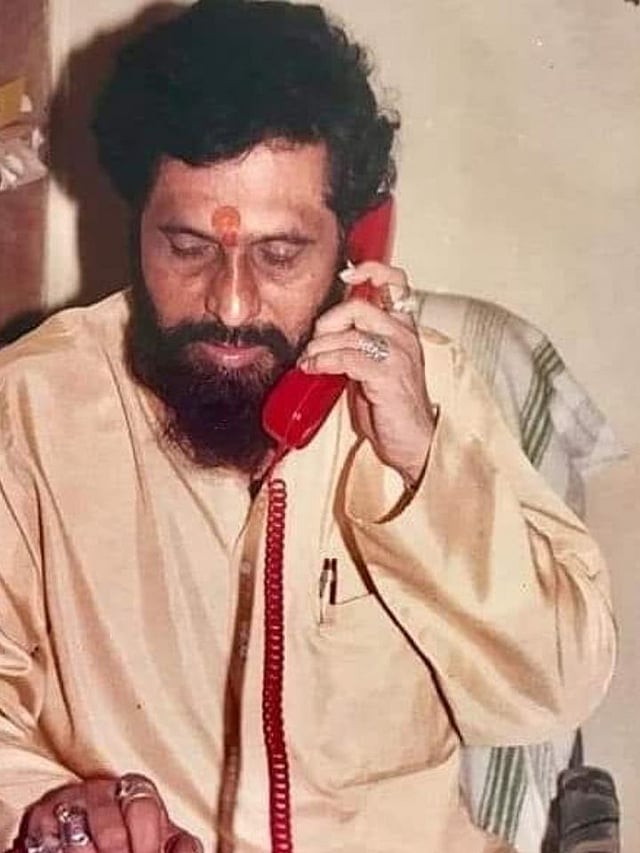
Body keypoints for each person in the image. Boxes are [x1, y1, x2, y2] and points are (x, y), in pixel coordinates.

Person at [0, 2, 616, 852]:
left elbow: (554, 691)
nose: (231, 303)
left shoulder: (426, 390)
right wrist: (56, 810)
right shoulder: (31, 406)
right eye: (188, 247)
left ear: (355, 244)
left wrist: (422, 468)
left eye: (281, 254)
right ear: (137, 221)